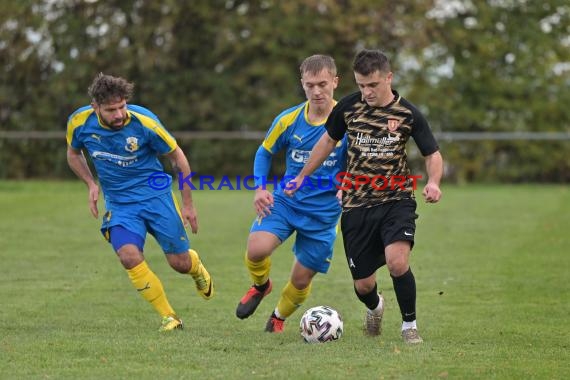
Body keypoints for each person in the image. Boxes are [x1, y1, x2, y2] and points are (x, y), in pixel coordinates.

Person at [285, 49, 443, 344]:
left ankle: (409, 325)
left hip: (396, 199)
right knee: (363, 285)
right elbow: (327, 142)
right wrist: (303, 175)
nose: (367, 92)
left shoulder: (407, 113)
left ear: (388, 78)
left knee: (397, 262)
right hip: (356, 205)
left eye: (372, 85)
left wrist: (434, 182)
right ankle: (376, 306)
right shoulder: (347, 108)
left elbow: (432, 153)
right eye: (361, 85)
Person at [66, 73, 214, 332]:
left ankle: (196, 268)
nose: (119, 114)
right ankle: (169, 317)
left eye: (122, 107)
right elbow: (73, 153)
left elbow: (178, 158)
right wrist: (91, 183)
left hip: (156, 197)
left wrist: (188, 204)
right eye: (111, 110)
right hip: (120, 204)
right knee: (128, 255)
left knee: (179, 263)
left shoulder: (145, 122)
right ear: (95, 107)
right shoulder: (79, 122)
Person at [235, 55, 347, 333]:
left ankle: (278, 317)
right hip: (287, 202)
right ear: (302, 84)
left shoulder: (348, 123)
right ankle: (261, 285)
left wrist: (350, 182)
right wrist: (260, 188)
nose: (317, 91)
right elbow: (265, 151)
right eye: (310, 85)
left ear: (335, 81)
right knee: (256, 249)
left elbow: (359, 160)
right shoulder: (289, 119)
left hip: (324, 214)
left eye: (323, 84)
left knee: (300, 280)